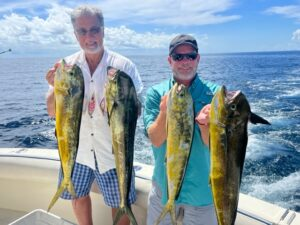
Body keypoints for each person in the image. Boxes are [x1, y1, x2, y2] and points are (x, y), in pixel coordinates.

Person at [45, 5, 143, 225]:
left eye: (94, 29)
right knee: (78, 197)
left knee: (121, 205)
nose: (89, 37)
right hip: (77, 153)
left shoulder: (124, 66)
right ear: (75, 34)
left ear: (104, 30)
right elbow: (52, 111)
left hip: (112, 154)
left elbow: (136, 112)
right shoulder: (66, 66)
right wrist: (55, 87)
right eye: (83, 31)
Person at [143, 34, 219, 225]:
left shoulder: (216, 95)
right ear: (170, 60)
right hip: (163, 193)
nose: (185, 62)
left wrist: (204, 126)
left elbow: (219, 149)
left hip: (202, 195)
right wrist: (164, 111)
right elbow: (155, 139)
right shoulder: (156, 93)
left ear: (198, 59)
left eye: (190, 56)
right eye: (178, 57)